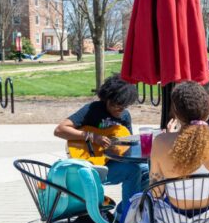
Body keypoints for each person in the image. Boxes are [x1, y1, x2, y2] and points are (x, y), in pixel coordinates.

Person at [119, 81, 209, 223]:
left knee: (132, 205)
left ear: (176, 112)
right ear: (207, 109)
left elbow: (157, 193)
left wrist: (170, 136)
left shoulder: (161, 142)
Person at [54, 74, 148, 211]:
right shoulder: (92, 110)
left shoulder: (125, 116)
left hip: (112, 163)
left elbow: (128, 147)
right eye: (115, 106)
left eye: (123, 107)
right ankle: (128, 215)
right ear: (107, 99)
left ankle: (124, 211)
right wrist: (92, 136)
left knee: (148, 170)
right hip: (90, 168)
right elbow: (59, 130)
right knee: (134, 171)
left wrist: (122, 148)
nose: (119, 110)